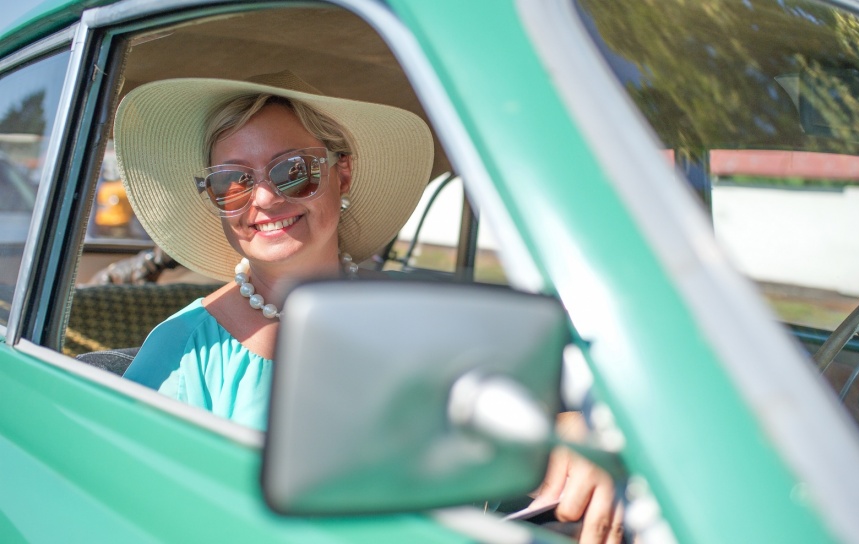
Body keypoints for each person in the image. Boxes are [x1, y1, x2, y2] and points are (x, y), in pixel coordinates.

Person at [114, 71, 622, 543]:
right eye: (233, 180)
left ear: (343, 175)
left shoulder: (429, 314)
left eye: (292, 171)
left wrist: (571, 437)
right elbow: (127, 508)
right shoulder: (182, 352)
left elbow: (512, 422)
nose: (264, 199)